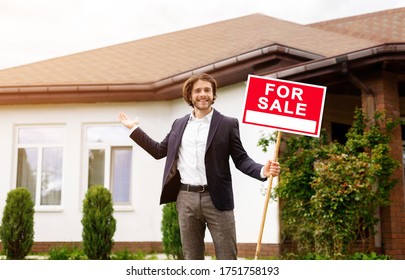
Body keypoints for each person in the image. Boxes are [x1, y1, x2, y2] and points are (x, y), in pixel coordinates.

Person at [118, 73, 280, 260]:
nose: (203, 94)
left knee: (227, 257)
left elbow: (241, 159)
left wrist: (262, 170)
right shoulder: (179, 125)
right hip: (186, 199)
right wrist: (133, 129)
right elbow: (158, 151)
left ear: (213, 95)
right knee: (192, 258)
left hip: (217, 199)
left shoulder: (227, 124)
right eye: (198, 91)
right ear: (190, 95)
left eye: (207, 90)